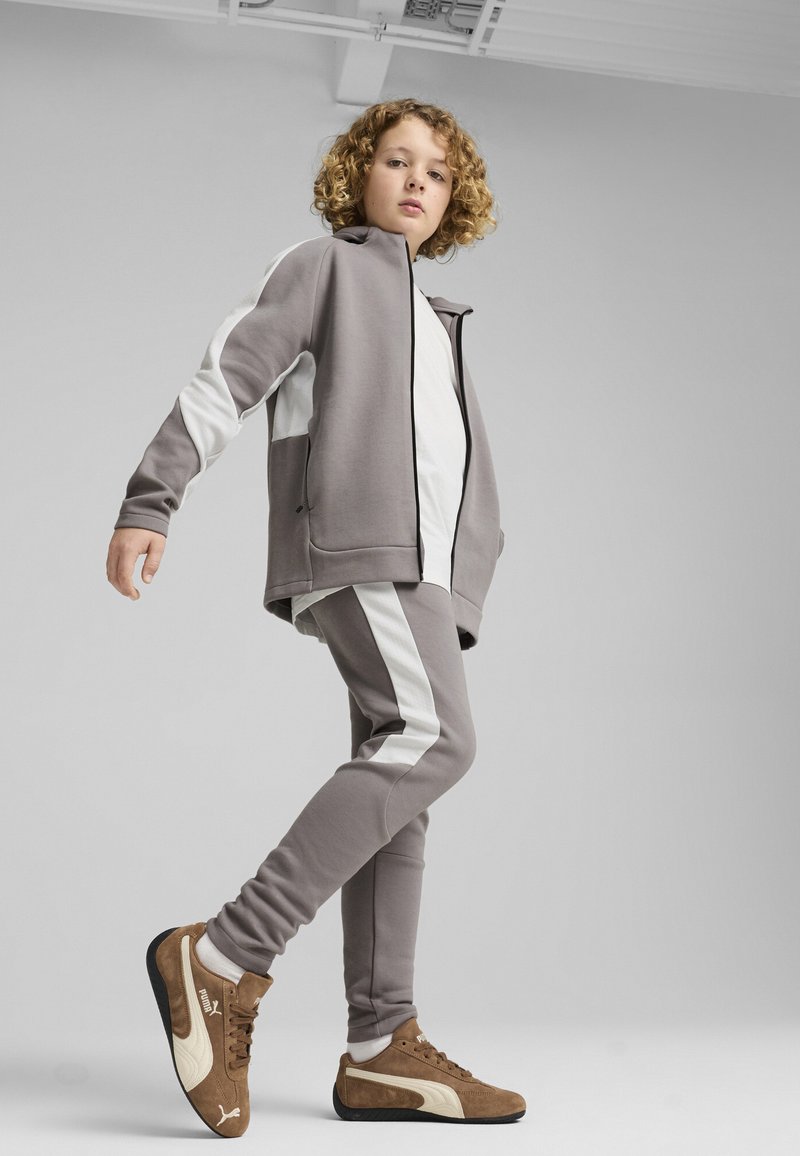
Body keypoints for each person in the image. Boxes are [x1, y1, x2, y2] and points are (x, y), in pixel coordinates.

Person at [106, 97, 523, 1136]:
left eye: (437, 170)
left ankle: (382, 1047)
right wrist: (152, 498)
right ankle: (223, 955)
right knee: (436, 739)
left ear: (456, 198)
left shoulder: (435, 318)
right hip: (359, 544)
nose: (417, 180)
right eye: (396, 160)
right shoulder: (325, 268)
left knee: (400, 790)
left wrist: (468, 569)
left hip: (425, 574)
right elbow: (228, 378)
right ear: (357, 174)